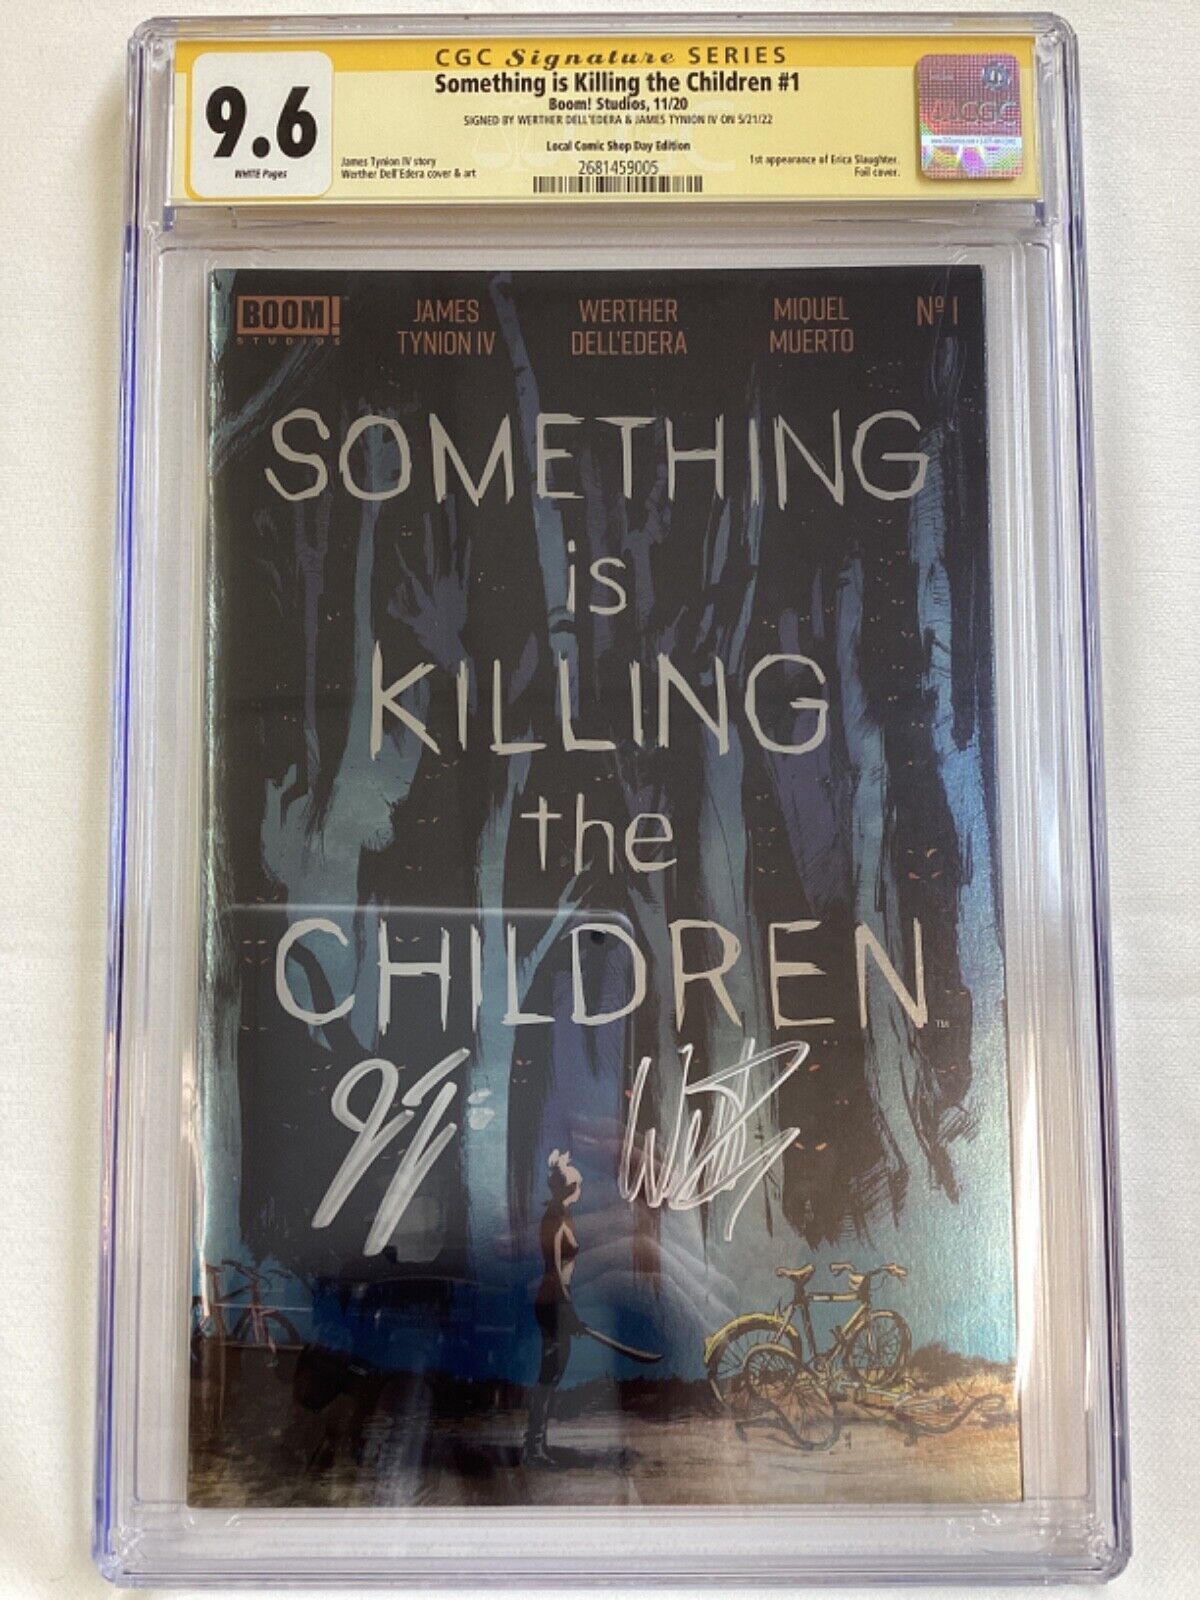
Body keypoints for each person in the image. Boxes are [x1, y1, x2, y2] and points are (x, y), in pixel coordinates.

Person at [524, 1149, 583, 1468]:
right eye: (577, 1185)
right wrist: (568, 1312)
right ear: (568, 1188)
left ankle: (537, 1443)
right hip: (553, 1302)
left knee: (553, 1374)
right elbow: (555, 1273)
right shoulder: (555, 1219)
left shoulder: (564, 1215)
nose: (580, 1189)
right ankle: (533, 1448)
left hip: (559, 1301)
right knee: (548, 1376)